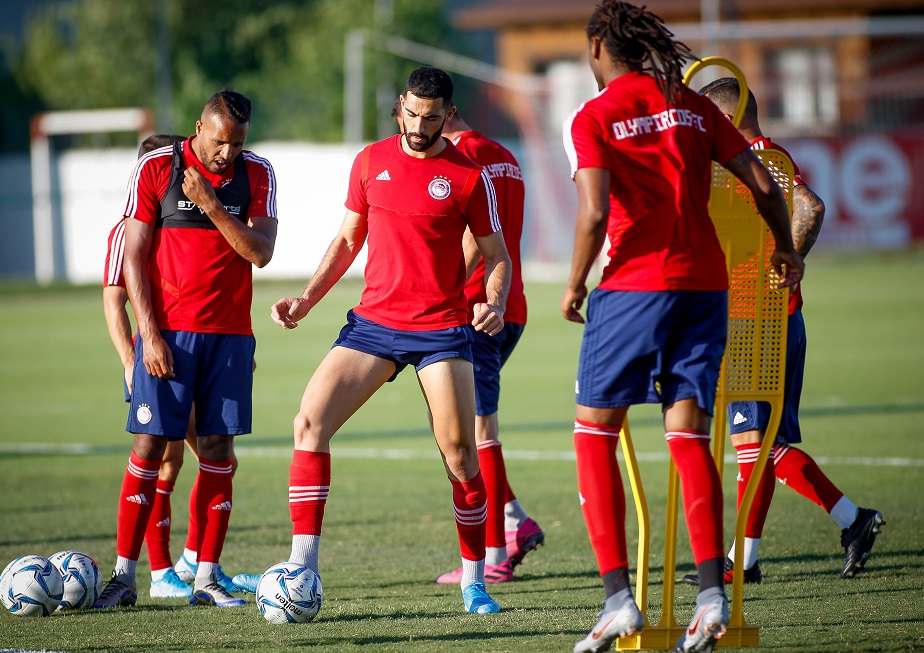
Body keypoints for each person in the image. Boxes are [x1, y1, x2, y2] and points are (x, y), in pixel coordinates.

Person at [560, 2, 804, 652]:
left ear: (597, 51)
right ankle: (711, 596)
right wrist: (787, 249)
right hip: (705, 286)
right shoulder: (697, 107)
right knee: (689, 434)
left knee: (594, 433)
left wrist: (577, 281)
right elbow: (764, 183)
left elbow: (590, 214)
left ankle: (618, 600)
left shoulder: (596, 115)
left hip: (635, 286)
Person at [269, 66, 511, 615]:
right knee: (308, 423)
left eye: (431, 118)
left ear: (448, 115)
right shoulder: (370, 161)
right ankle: (301, 566)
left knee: (460, 454)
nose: (419, 127)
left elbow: (497, 256)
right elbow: (349, 238)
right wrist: (306, 299)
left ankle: (475, 579)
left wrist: (493, 303)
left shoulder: (470, 176)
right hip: (374, 324)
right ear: (400, 104)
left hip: (441, 331)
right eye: (411, 113)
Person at [678, 78, 884, 587]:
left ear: (725, 118)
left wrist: (777, 269)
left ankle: (850, 519)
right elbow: (809, 207)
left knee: (756, 443)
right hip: (779, 317)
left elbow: (810, 208)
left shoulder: (749, 157)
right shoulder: (771, 154)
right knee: (767, 443)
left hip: (754, 318)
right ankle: (746, 559)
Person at [94, 88, 278, 609]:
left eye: (237, 144)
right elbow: (132, 252)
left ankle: (206, 577)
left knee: (220, 453)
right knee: (151, 448)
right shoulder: (156, 166)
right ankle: (124, 577)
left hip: (230, 337)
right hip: (170, 336)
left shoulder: (258, 172)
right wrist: (148, 334)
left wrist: (213, 205)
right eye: (221, 142)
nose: (228, 154)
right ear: (200, 126)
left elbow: (260, 253)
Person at [103, 133, 245, 601]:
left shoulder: (239, 183)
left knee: (205, 454)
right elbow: (113, 298)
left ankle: (191, 565)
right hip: (159, 347)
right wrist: (131, 357)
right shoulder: (128, 229)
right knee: (160, 453)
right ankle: (152, 570)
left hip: (216, 342)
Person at [429, 109, 544, 585]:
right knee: (462, 421)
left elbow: (475, 238)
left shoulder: (464, 157)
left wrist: (444, 287)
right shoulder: (505, 155)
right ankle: (516, 521)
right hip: (510, 305)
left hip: (477, 307)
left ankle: (494, 554)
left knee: (475, 430)